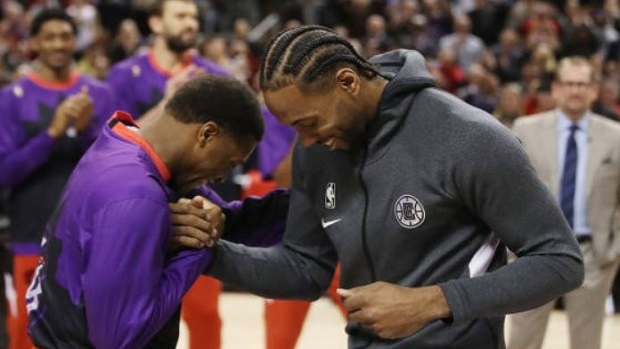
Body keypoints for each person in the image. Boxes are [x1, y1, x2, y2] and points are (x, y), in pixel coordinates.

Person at [204, 25, 585, 348]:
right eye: (295, 128)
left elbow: (559, 261)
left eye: (309, 123)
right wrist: (206, 253)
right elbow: (304, 270)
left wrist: (433, 302)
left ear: (348, 82)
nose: (304, 142)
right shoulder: (318, 148)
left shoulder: (469, 138)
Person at [26, 74, 281, 348]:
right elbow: (118, 340)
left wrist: (315, 199)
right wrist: (199, 245)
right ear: (206, 134)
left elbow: (232, 220)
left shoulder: (123, 143)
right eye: (230, 163)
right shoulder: (138, 196)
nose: (222, 177)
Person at [105, 1, 232, 347]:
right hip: (135, 219)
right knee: (140, 322)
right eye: (181, 16)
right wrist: (169, 106)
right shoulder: (123, 75)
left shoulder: (215, 77)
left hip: (194, 214)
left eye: (194, 16)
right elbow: (110, 148)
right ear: (156, 23)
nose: (191, 23)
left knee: (206, 315)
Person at [0, 8, 116, 349]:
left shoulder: (100, 94)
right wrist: (50, 135)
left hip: (92, 235)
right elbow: (5, 172)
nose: (58, 44)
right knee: (26, 331)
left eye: (65, 36)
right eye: (49, 37)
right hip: (30, 232)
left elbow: (118, 167)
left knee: (91, 329)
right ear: (34, 42)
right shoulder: (10, 99)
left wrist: (84, 133)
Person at [507, 56, 620, 349]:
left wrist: (615, 247)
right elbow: (507, 190)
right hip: (534, 252)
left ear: (594, 90)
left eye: (582, 84)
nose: (576, 90)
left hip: (593, 255)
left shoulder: (615, 137)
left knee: (587, 342)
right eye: (569, 83)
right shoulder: (525, 129)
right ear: (556, 89)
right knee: (521, 340)